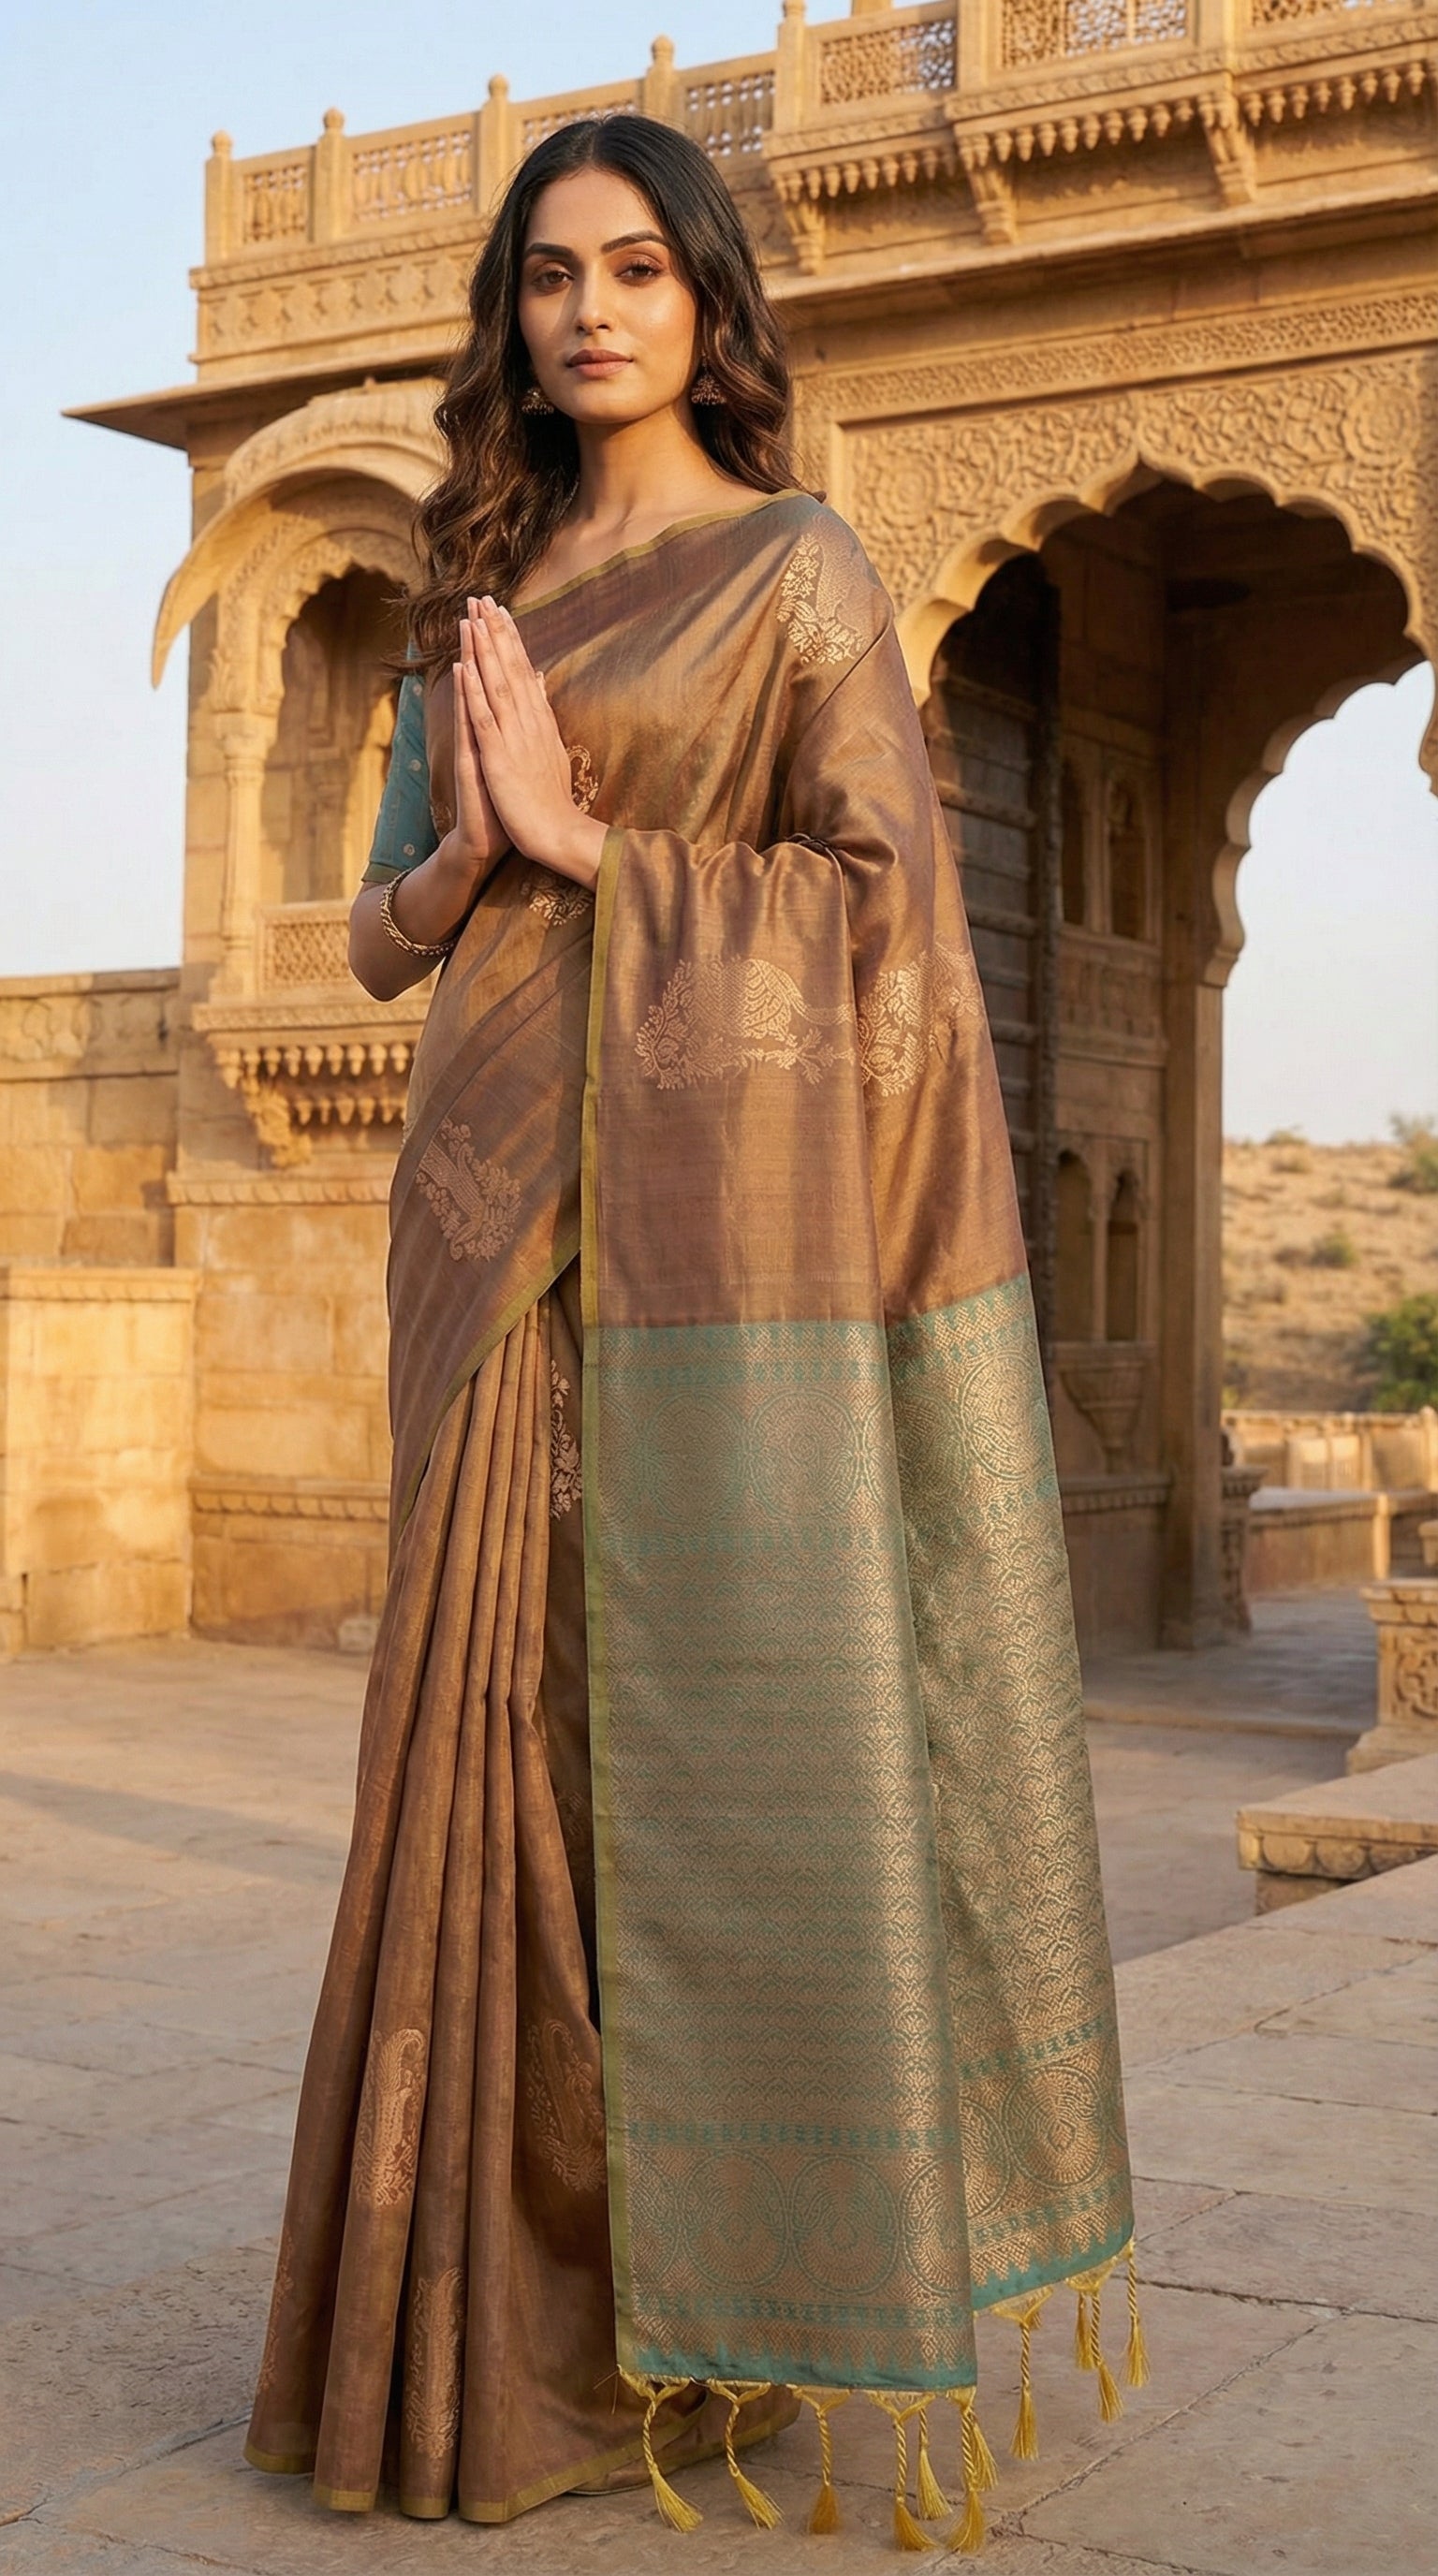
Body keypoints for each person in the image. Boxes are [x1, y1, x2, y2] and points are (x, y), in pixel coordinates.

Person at [244, 111, 1142, 2552]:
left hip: (693, 1258)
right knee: (481, 1759)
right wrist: (469, 846)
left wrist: (588, 850)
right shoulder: (480, 584)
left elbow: (880, 922)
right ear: (513, 318)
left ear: (707, 297)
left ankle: (698, 2313)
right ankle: (483, 2342)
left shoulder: (797, 569)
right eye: (552, 276)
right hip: (481, 1230)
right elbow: (380, 935)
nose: (591, 312)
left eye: (637, 268)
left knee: (647, 1759)